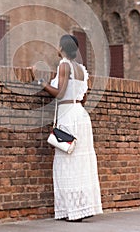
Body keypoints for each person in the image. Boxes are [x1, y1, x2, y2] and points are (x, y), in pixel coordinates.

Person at [36, 34, 103, 222]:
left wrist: (41, 82)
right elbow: (84, 97)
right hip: (81, 114)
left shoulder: (64, 65)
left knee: (66, 161)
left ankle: (72, 212)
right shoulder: (82, 69)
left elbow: (60, 93)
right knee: (80, 162)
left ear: (62, 48)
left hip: (67, 114)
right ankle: (82, 207)